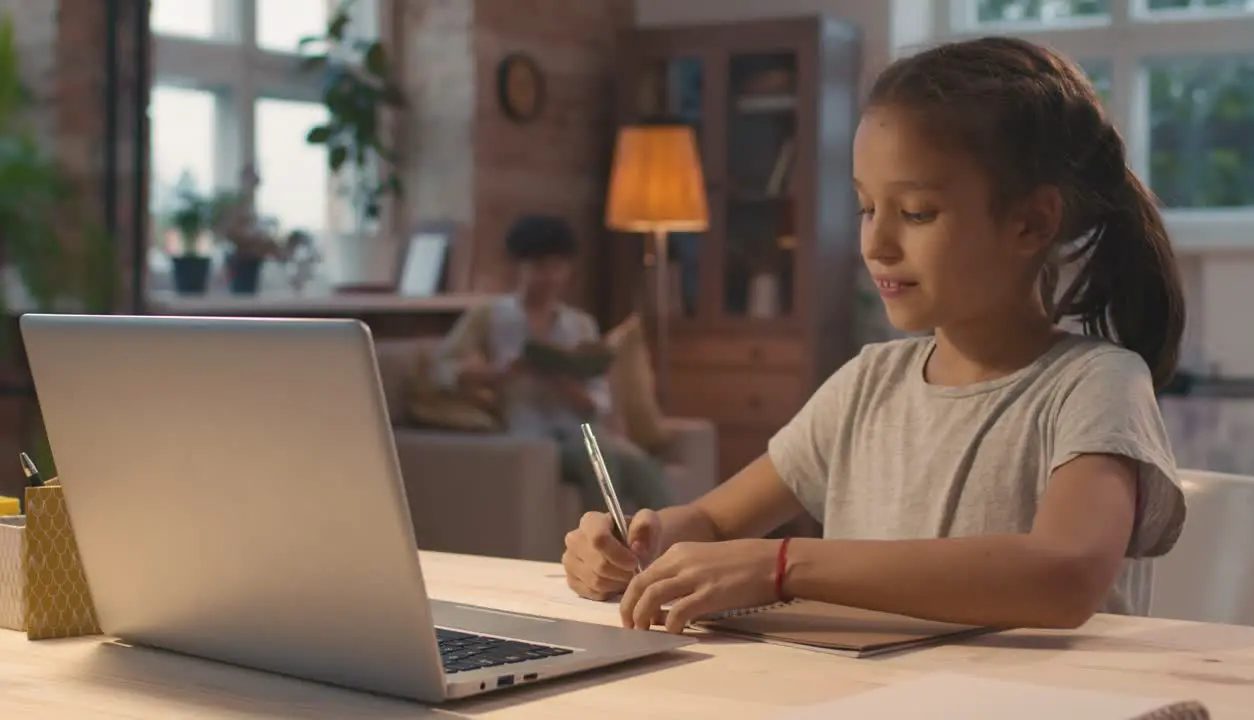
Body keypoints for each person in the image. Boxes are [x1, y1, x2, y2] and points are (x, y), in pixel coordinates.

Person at [562, 36, 1189, 635]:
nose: (877, 243)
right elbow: (712, 521)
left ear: (1030, 222)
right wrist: (638, 544)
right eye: (866, 208)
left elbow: (1066, 573)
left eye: (915, 212)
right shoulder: (868, 384)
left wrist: (783, 567)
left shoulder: (1097, 384)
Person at [432, 214, 674, 513]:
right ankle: (605, 547)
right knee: (600, 460)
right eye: (539, 267)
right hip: (528, 432)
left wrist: (562, 379)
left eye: (558, 267)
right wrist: (500, 372)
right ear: (517, 267)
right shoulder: (490, 315)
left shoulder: (580, 324)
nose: (550, 277)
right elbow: (441, 370)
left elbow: (598, 401)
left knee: (645, 470)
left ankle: (676, 546)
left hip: (580, 427)